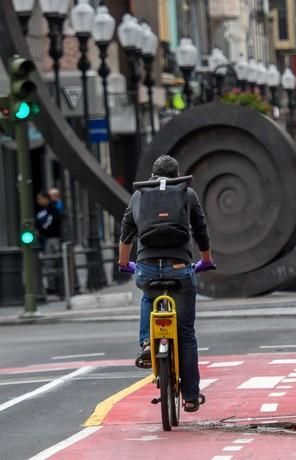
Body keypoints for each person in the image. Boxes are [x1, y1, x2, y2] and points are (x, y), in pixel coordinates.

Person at [118, 155, 215, 413]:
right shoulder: (188, 193)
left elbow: (126, 233)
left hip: (148, 267)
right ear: (177, 174)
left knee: (148, 295)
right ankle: (191, 396)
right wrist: (206, 259)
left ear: (152, 174)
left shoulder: (139, 196)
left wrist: (123, 262)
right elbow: (201, 230)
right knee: (186, 335)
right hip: (181, 267)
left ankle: (148, 343)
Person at [35, 191, 62, 294]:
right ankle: (52, 285)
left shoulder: (52, 209)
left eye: (40, 198)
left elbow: (50, 222)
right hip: (47, 238)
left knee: (52, 262)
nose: (39, 201)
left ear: (46, 198)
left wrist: (41, 230)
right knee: (49, 263)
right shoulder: (42, 210)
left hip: (52, 238)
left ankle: (54, 286)